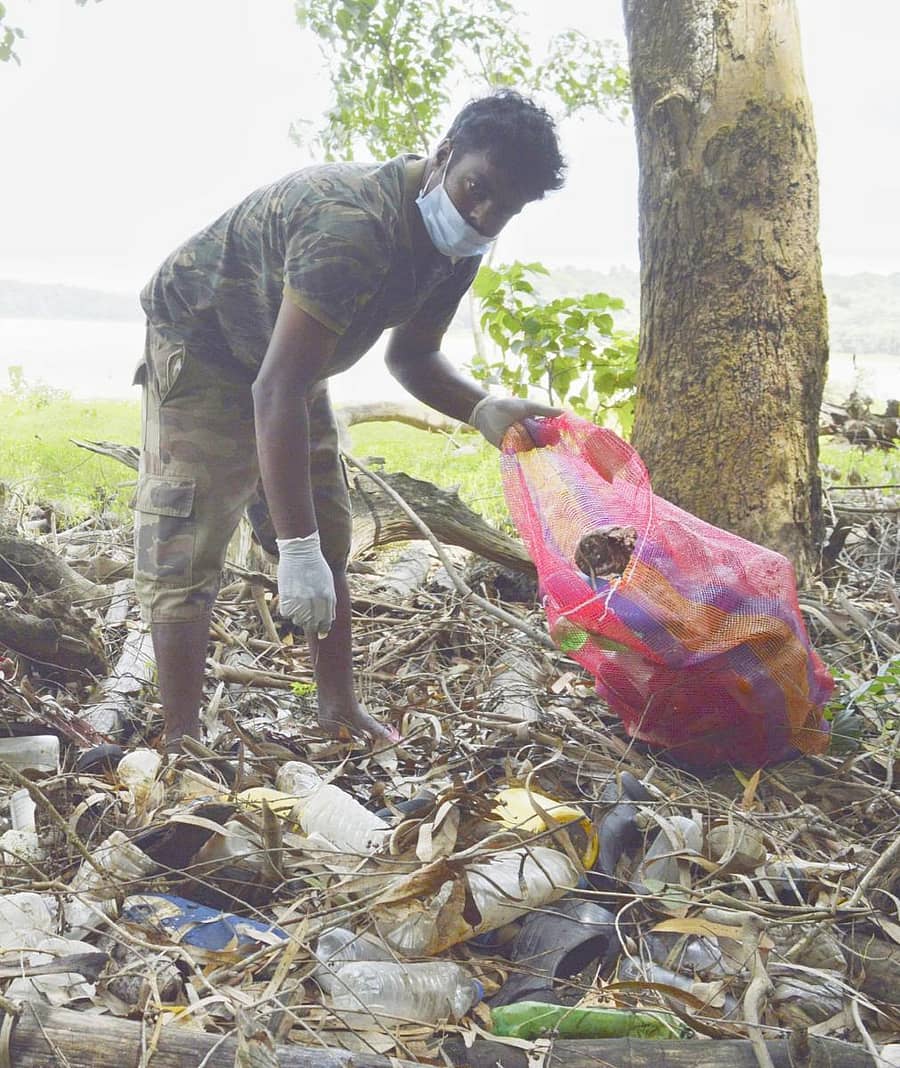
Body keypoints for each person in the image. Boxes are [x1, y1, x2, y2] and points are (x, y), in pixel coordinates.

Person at [134, 89, 565, 750]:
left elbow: (413, 356)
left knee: (326, 532)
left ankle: (333, 708)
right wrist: (293, 548)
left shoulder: (457, 249)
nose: (481, 215)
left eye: (502, 210)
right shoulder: (351, 226)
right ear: (445, 151)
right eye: (477, 189)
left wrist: (480, 406)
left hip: (290, 362)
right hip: (204, 344)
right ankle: (181, 736)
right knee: (185, 543)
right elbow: (274, 389)